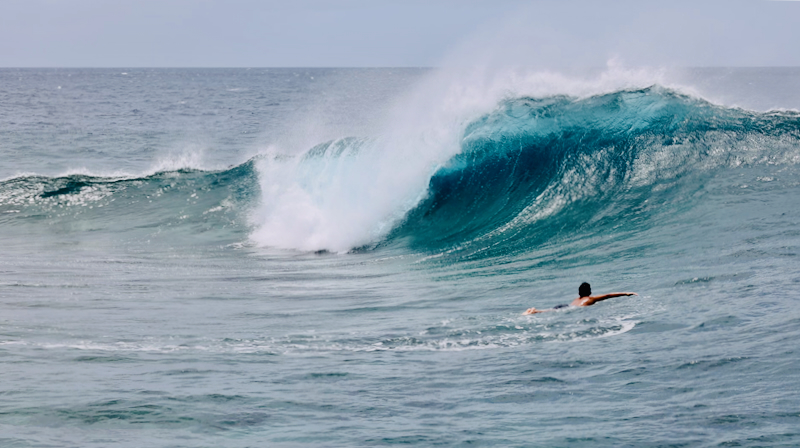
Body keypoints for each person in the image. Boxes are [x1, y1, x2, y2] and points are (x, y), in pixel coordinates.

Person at [524, 282, 637, 315]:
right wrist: (626, 293)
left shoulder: (577, 299)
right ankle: (535, 311)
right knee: (551, 311)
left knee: (550, 310)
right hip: (571, 309)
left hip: (566, 305)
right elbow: (608, 295)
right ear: (589, 291)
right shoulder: (590, 299)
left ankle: (535, 311)